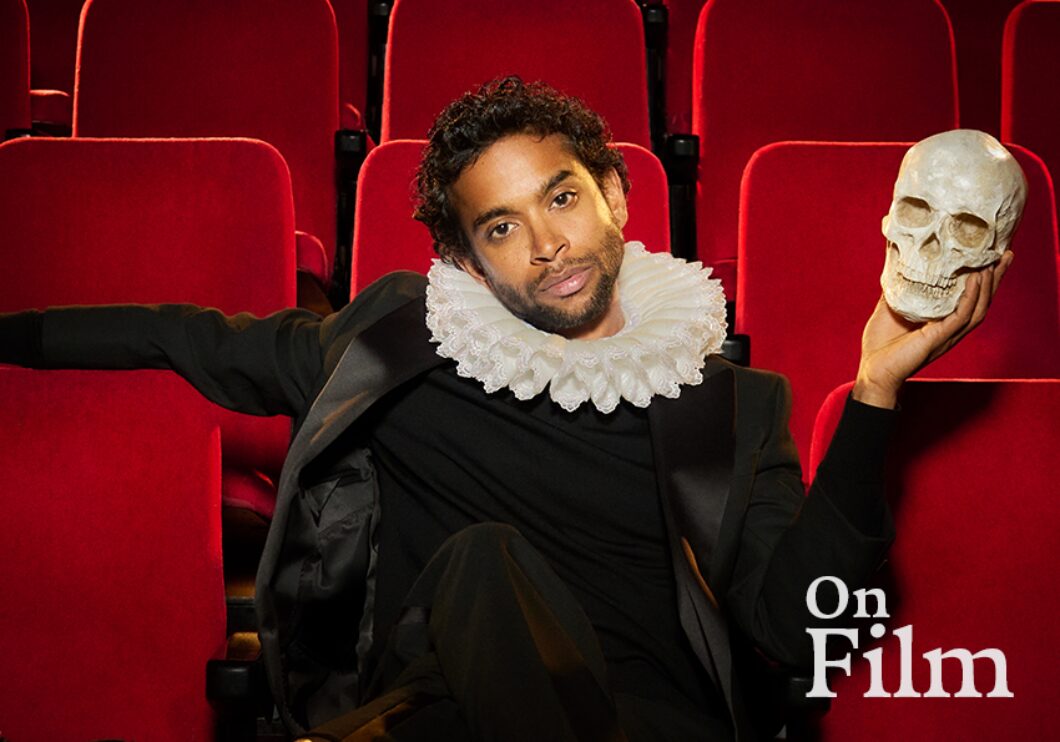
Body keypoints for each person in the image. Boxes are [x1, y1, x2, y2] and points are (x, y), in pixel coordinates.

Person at [0, 77, 1010, 741]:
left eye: (563, 197)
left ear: (615, 194)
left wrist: (875, 386)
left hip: (648, 725)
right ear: (467, 261)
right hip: (437, 711)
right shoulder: (402, 342)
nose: (548, 242)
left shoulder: (729, 405)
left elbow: (795, 633)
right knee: (485, 566)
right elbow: (189, 337)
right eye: (502, 225)